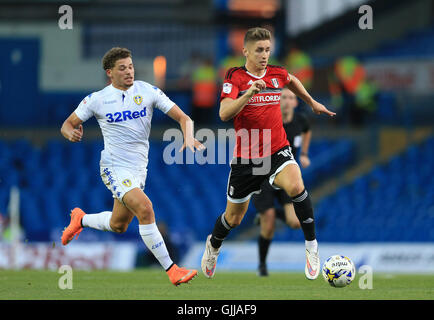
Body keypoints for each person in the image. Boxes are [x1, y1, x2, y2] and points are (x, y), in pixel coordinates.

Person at [60, 47, 204, 286]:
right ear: (110, 73)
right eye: (122, 68)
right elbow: (67, 124)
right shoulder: (97, 99)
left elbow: (184, 118)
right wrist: (70, 134)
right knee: (145, 209)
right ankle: (172, 270)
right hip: (114, 166)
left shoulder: (147, 91)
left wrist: (188, 136)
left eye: (131, 66)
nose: (129, 72)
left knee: (119, 224)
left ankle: (81, 220)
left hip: (139, 169)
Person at [200, 27, 335, 280]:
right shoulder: (235, 77)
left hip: (277, 150)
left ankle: (312, 247)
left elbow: (291, 79)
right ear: (246, 51)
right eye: (259, 50)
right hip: (246, 159)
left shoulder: (276, 73)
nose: (264, 55)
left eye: (267, 50)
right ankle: (214, 244)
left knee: (296, 184)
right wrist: (249, 94)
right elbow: (224, 113)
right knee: (233, 218)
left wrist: (312, 102)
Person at [252, 87, 313, 276]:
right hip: (264, 176)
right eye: (283, 97)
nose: (287, 101)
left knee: (295, 222)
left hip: (286, 176)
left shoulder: (300, 120)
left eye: (291, 98)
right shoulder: (268, 120)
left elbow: (307, 131)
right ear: (277, 101)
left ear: (295, 102)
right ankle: (262, 264)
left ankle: (269, 214)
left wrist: (303, 153)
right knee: (268, 224)